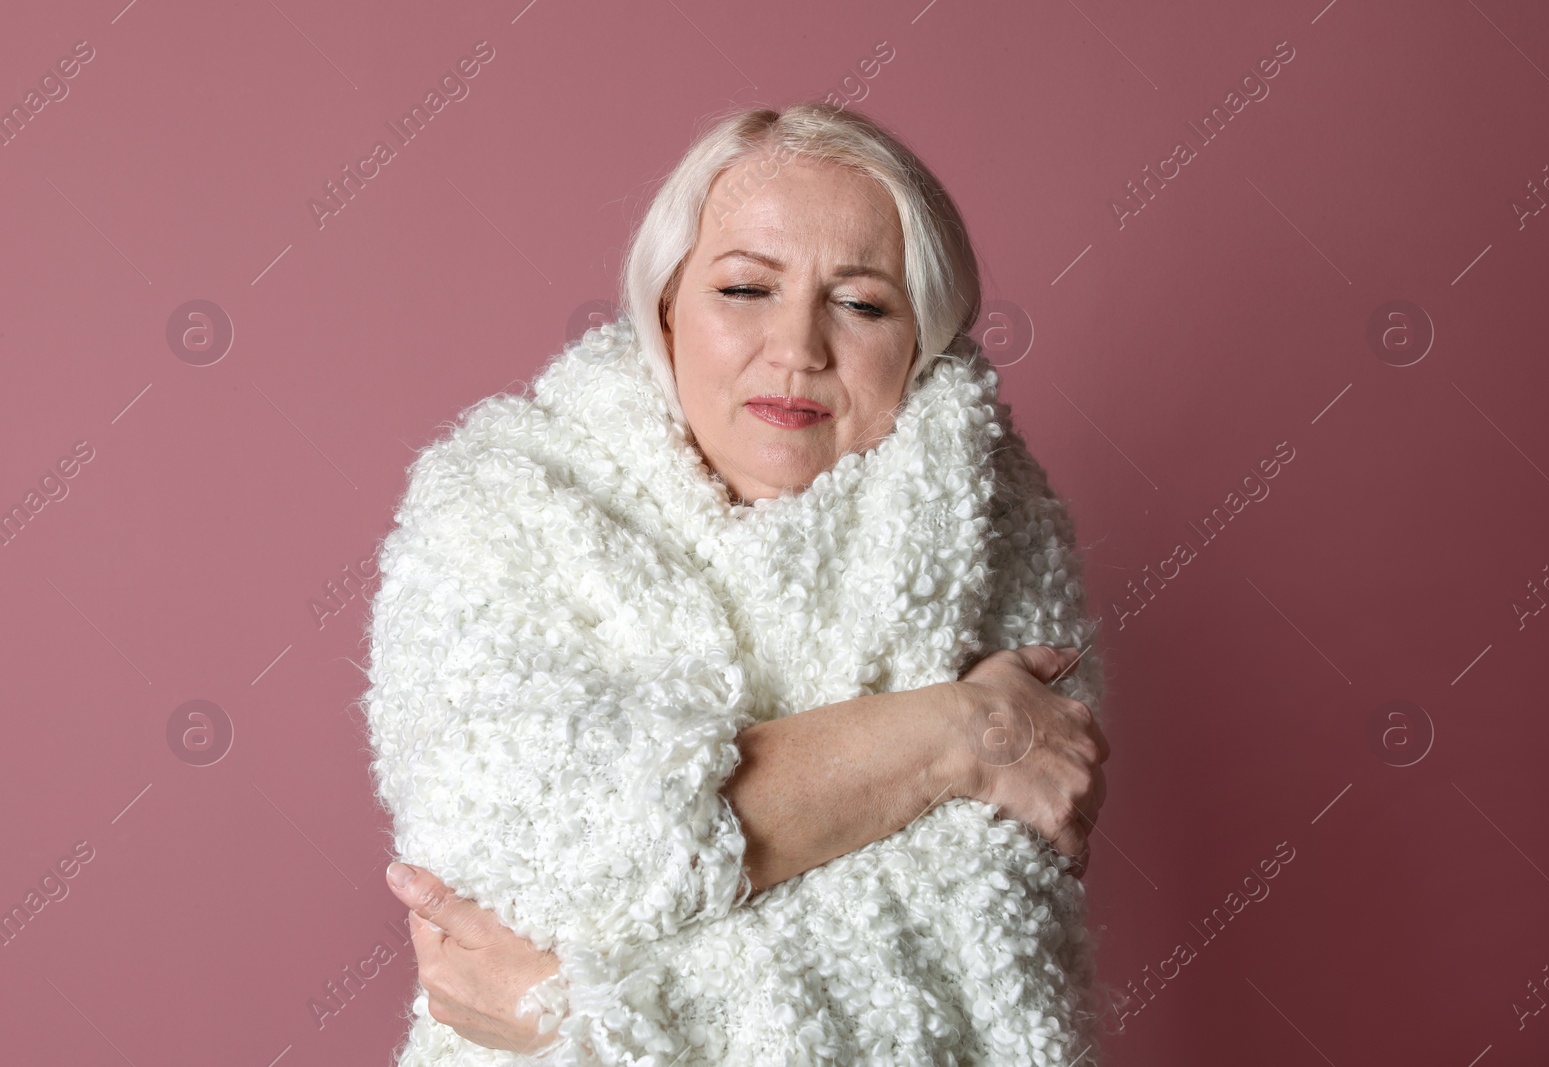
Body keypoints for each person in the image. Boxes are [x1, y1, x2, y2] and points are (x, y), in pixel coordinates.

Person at [360, 100, 1111, 1066]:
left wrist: (573, 1013)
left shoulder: (987, 520)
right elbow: (528, 847)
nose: (797, 346)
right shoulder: (500, 499)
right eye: (747, 288)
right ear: (667, 302)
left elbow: (977, 957)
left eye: (862, 302)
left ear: (924, 345)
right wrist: (951, 731)